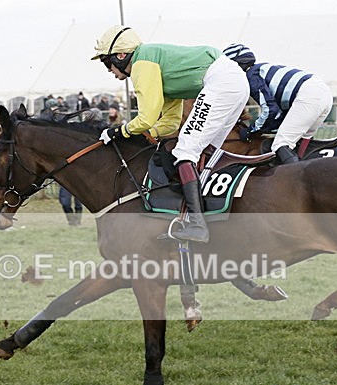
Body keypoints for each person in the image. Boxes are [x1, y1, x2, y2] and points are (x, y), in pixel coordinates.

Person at [93, 25, 248, 243]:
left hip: (221, 82)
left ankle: (197, 224)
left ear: (120, 56)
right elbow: (170, 121)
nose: (108, 70)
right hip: (233, 82)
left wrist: (119, 131)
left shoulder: (141, 64)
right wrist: (145, 133)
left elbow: (145, 118)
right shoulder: (156, 63)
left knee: (185, 151)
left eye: (106, 62)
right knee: (206, 153)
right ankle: (208, 217)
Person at [223, 43, 333, 160]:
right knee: (301, 142)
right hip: (322, 94)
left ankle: (294, 176)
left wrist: (251, 130)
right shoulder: (261, 69)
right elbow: (278, 116)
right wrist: (260, 128)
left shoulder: (251, 76)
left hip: (309, 95)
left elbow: (271, 110)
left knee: (280, 144)